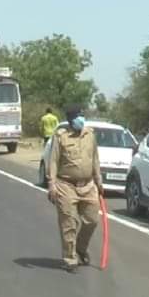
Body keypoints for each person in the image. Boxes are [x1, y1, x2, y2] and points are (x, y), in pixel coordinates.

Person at [47, 104, 103, 273]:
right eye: (78, 116)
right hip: (66, 186)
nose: (82, 119)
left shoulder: (90, 135)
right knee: (69, 223)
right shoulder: (61, 137)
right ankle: (70, 258)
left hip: (88, 185)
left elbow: (95, 158)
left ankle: (80, 247)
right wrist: (52, 184)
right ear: (71, 120)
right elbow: (54, 161)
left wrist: (98, 180)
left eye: (82, 116)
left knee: (92, 220)